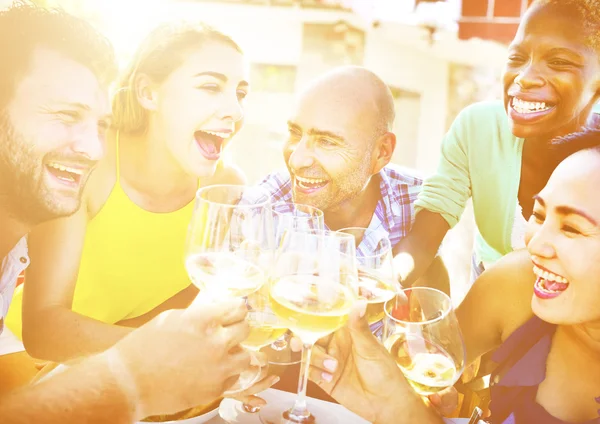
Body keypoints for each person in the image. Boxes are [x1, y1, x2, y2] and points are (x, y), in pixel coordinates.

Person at [0, 3, 269, 421]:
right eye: (210, 86)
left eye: (240, 93)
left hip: (116, 367)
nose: (234, 111)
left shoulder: (226, 187)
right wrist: (157, 360)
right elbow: (43, 328)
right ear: (148, 92)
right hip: (22, 360)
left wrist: (209, 357)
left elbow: (184, 308)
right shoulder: (87, 169)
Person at [306, 128, 600, 423]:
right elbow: (438, 370)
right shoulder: (516, 285)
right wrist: (396, 401)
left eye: (572, 228)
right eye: (538, 215)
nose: (534, 244)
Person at [394, 0, 600, 286]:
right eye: (517, 58)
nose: (524, 78)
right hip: (489, 294)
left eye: (558, 62)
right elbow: (432, 221)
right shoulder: (477, 128)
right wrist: (385, 281)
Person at [256, 65, 449, 290]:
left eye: (327, 142)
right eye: (295, 133)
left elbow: (433, 300)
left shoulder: (417, 201)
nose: (296, 160)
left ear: (381, 152)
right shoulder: (261, 209)